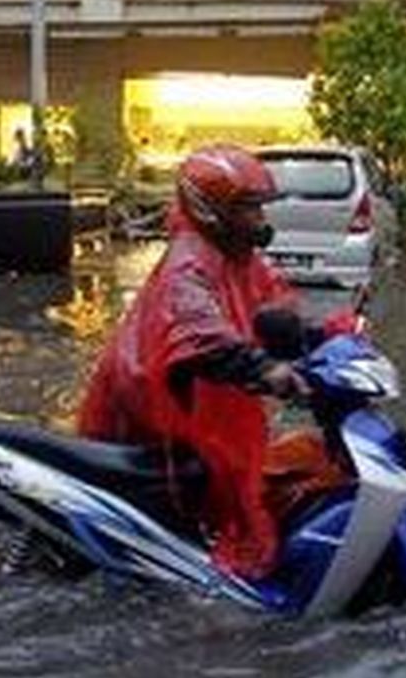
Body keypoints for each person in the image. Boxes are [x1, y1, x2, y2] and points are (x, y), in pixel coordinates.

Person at [77, 146, 358, 580]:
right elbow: (197, 331)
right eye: (250, 209)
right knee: (215, 510)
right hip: (149, 419)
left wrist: (327, 336)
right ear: (213, 212)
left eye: (261, 209)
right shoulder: (189, 261)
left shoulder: (238, 258)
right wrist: (266, 370)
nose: (261, 221)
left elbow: (276, 307)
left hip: (194, 411)